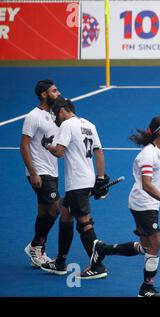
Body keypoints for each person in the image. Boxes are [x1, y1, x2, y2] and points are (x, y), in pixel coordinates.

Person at [88, 116, 160, 297]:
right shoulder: (147, 155)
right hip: (142, 203)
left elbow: (157, 177)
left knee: (146, 246)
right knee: (156, 242)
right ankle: (146, 288)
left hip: (152, 201)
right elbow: (147, 184)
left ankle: (103, 249)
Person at [40, 97, 110, 279]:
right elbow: (99, 152)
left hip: (77, 181)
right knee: (65, 213)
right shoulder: (89, 125)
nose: (57, 118)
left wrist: (48, 145)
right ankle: (60, 261)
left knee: (84, 223)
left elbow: (59, 152)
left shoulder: (67, 125)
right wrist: (100, 178)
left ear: (62, 110)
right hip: (86, 178)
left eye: (56, 114)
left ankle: (98, 266)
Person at [20, 79, 61, 267]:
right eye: (54, 91)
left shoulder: (54, 115)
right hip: (40, 171)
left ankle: (37, 249)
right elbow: (24, 145)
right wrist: (33, 172)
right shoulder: (33, 116)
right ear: (44, 94)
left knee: (44, 211)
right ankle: (36, 246)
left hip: (52, 169)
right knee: (56, 207)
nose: (58, 93)